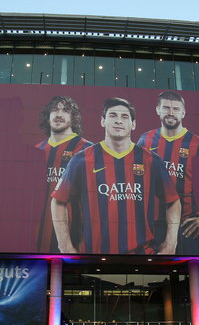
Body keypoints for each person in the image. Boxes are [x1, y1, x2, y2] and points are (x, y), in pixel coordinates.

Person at [52, 97, 181, 254]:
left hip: (143, 255)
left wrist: (171, 243)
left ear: (133, 124)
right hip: (92, 255)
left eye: (124, 117)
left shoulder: (151, 160)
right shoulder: (82, 159)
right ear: (103, 121)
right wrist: (65, 246)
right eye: (112, 115)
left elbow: (173, 201)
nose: (118, 121)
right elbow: (58, 201)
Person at [137, 90, 199, 254]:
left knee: (191, 271)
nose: (171, 113)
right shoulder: (145, 140)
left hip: (187, 227)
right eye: (166, 108)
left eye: (176, 109)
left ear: (183, 112)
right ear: (158, 110)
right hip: (152, 226)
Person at [35, 96, 93, 253]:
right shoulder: (35, 151)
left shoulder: (88, 150)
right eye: (54, 110)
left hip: (75, 239)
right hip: (36, 239)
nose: (59, 114)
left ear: (73, 118)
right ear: (47, 116)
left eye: (65, 110)